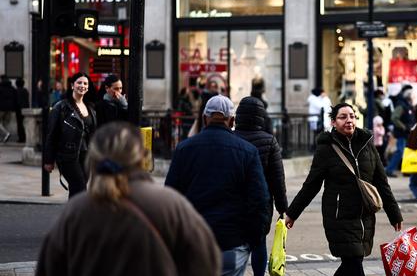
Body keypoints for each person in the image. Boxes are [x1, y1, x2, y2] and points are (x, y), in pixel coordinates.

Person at [36, 122, 221, 276]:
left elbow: (48, 267)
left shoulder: (75, 211)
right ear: (142, 157)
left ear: (93, 159)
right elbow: (206, 262)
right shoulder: (171, 205)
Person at [285, 103, 403, 276]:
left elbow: (381, 182)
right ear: (333, 122)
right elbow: (311, 185)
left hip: (365, 216)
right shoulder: (326, 148)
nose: (349, 121)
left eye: (352, 116)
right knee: (354, 264)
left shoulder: (367, 144)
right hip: (340, 216)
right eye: (343, 117)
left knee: (351, 265)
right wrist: (292, 213)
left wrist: (394, 212)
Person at [165, 95, 270, 276]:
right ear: (231, 120)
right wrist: (254, 239)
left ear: (205, 118)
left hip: (194, 240)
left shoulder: (184, 149)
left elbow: (170, 197)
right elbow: (259, 200)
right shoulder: (247, 151)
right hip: (232, 242)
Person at [233, 96, 288, 276]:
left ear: (238, 115)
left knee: (233, 244)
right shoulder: (269, 141)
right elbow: (277, 179)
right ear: (261, 117)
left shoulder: (230, 138)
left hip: (233, 201)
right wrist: (282, 207)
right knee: (259, 243)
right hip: (260, 203)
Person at [43, 73, 97, 198]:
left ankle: (73, 215)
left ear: (88, 87)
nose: (82, 86)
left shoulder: (91, 108)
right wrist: (48, 160)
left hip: (86, 154)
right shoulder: (60, 107)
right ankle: (77, 215)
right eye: (79, 83)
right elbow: (52, 134)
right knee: (79, 186)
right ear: (72, 85)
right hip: (67, 155)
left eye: (85, 83)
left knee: (78, 188)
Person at [385, 85, 416, 177]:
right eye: (410, 93)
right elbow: (394, 118)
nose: (411, 95)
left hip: (406, 133)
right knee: (400, 151)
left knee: (406, 151)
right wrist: (404, 127)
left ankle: (406, 170)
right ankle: (389, 170)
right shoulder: (402, 105)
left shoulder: (407, 104)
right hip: (402, 133)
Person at [0, 75, 18, 143]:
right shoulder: (12, 88)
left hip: (1, 108)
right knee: (4, 123)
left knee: (1, 123)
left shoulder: (0, 88)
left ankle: (6, 134)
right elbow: (15, 98)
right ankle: (4, 137)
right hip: (10, 108)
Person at [15, 78, 29, 143]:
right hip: (25, 109)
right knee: (24, 124)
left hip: (18, 109)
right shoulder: (25, 90)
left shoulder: (17, 91)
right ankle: (24, 137)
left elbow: (16, 101)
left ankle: (21, 138)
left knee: (20, 124)